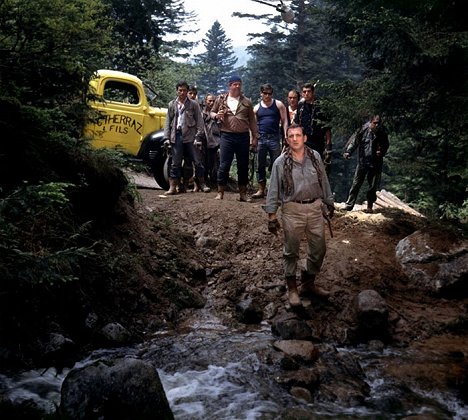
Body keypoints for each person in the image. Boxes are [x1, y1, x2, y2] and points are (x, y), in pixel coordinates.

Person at [264, 123, 335, 308]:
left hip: (315, 208)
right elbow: (273, 190)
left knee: (319, 249)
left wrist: (329, 202)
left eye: (298, 135)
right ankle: (292, 289)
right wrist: (271, 215)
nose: (295, 139)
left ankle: (308, 283)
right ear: (287, 140)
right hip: (292, 209)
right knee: (291, 251)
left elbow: (324, 180)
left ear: (304, 138)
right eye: (291, 136)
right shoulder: (280, 162)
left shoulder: (315, 157)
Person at [211, 75, 259, 201]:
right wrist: (216, 115)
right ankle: (220, 192)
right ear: (230, 85)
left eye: (239, 84)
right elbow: (211, 112)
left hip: (243, 137)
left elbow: (252, 121)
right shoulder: (221, 100)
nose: (237, 86)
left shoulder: (246, 102)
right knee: (224, 165)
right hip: (226, 136)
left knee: (243, 166)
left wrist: (255, 137)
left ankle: (242, 193)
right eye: (235, 84)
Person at [163, 80, 209, 195]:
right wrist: (166, 137)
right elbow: (168, 122)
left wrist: (198, 136)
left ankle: (201, 184)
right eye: (180, 90)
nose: (182, 93)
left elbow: (200, 121)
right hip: (176, 135)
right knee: (175, 162)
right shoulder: (172, 104)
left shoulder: (193, 104)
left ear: (187, 91)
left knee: (196, 161)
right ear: (177, 91)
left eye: (184, 90)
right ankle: (173, 187)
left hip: (190, 135)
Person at [343, 115, 389, 213]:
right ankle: (349, 205)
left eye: (378, 123)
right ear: (371, 122)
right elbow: (354, 142)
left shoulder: (382, 133)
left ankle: (369, 206)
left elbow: (386, 145)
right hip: (362, 162)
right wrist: (348, 152)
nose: (376, 125)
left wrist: (382, 152)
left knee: (372, 186)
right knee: (356, 184)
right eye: (375, 123)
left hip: (376, 163)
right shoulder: (362, 130)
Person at [252, 83, 288, 199]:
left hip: (274, 137)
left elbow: (285, 121)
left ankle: (276, 190)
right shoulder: (257, 108)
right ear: (261, 93)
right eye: (265, 93)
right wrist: (253, 138)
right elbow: (253, 124)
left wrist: (286, 136)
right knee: (260, 164)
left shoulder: (278, 105)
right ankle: (261, 189)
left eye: (269, 93)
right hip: (261, 138)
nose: (267, 96)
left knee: (277, 164)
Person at [294, 82, 333, 172]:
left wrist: (328, 145)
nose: (306, 94)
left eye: (309, 91)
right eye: (304, 92)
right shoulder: (301, 106)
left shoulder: (321, 106)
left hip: (318, 141)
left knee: (316, 166)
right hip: (304, 140)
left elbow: (327, 127)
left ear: (313, 92)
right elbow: (296, 123)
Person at [200, 93, 220, 188]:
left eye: (213, 101)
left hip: (214, 142)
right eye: (209, 101)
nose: (211, 103)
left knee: (213, 163)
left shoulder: (217, 112)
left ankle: (214, 181)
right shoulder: (202, 113)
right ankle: (204, 181)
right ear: (205, 101)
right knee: (204, 163)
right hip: (204, 141)